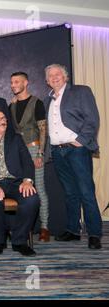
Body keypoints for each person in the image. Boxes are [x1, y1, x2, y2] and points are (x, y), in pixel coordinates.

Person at [44, 64, 102, 250]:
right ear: (47, 81)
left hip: (76, 149)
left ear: (65, 77)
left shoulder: (81, 91)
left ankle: (94, 233)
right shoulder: (48, 100)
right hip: (58, 151)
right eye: (50, 76)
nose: (54, 77)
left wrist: (82, 140)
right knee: (70, 193)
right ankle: (73, 230)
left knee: (86, 191)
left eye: (57, 74)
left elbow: (92, 119)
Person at [0, 107, 40, 257]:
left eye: (3, 118)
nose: (1, 121)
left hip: (16, 182)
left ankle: (19, 241)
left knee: (31, 199)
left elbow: (27, 162)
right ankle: (0, 240)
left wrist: (27, 181)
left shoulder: (16, 138)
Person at [9, 71, 50, 241]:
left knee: (38, 188)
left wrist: (41, 152)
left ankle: (44, 227)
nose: (13, 85)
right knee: (22, 189)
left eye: (17, 81)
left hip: (34, 149)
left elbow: (43, 129)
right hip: (18, 152)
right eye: (11, 82)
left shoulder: (37, 103)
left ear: (26, 83)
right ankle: (24, 228)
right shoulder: (11, 105)